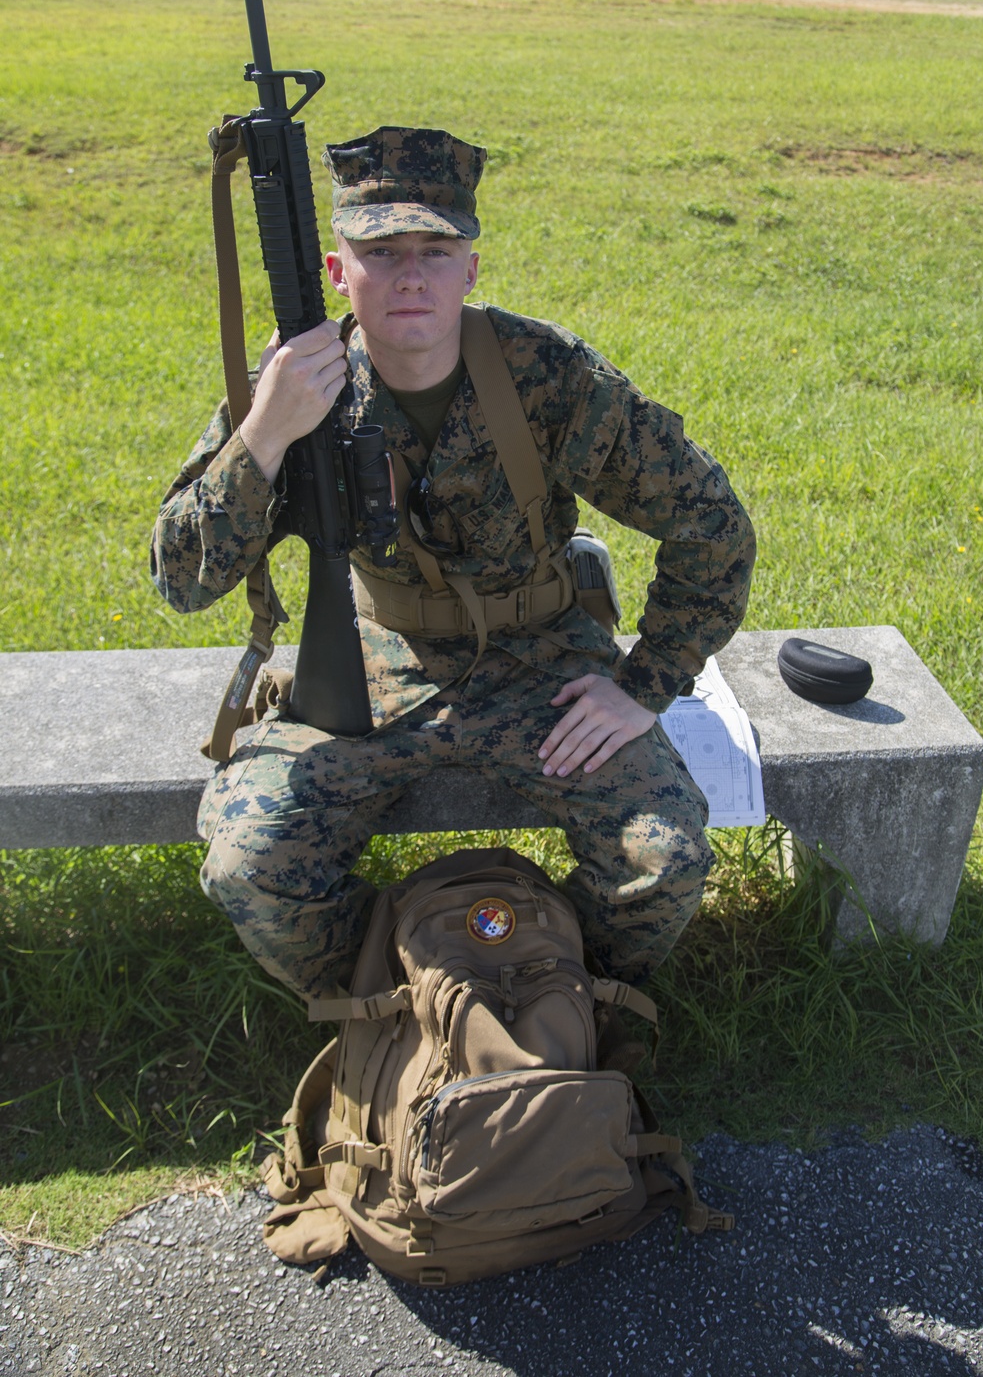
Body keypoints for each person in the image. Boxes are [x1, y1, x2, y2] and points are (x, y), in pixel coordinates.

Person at [151, 126, 755, 1001]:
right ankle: (395, 1011)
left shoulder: (547, 375)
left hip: (542, 661)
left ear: (470, 270)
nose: (411, 276)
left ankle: (554, 1008)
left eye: (436, 250)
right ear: (335, 271)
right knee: (251, 864)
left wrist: (644, 683)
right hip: (369, 667)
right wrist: (267, 435)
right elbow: (182, 577)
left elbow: (711, 521)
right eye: (382, 250)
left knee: (664, 862)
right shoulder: (293, 388)